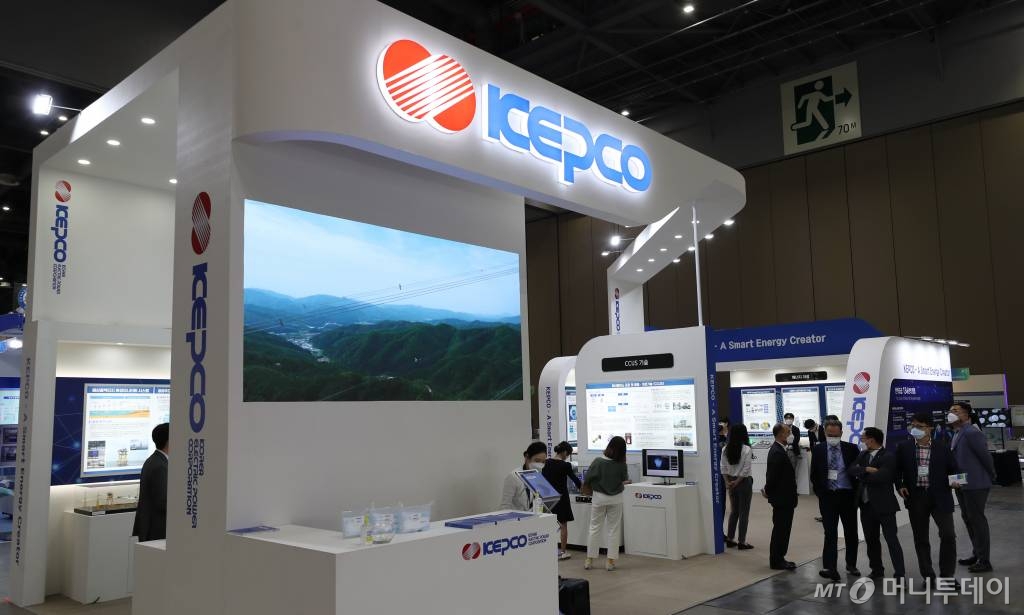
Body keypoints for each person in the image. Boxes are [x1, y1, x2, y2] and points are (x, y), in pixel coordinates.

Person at [896, 412, 958, 581]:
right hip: (916, 498)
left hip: (940, 496)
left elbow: (954, 468)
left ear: (929, 428)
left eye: (920, 426)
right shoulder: (904, 447)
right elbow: (897, 470)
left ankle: (947, 575)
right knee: (921, 538)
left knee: (948, 535)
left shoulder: (942, 447)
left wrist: (956, 481)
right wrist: (900, 485)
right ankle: (928, 574)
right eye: (913, 426)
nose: (915, 429)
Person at [847, 427, 905, 580]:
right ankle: (877, 570)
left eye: (863, 438)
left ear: (871, 440)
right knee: (871, 540)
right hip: (866, 506)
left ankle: (900, 574)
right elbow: (851, 470)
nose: (862, 440)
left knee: (892, 540)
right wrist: (866, 469)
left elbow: (882, 477)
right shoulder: (863, 454)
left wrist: (861, 474)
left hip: (885, 506)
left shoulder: (888, 456)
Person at [948, 402, 997, 572]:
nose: (951, 413)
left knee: (977, 520)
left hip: (976, 483)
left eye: (956, 411)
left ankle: (985, 560)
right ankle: (977, 553)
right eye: (950, 410)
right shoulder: (957, 432)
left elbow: (985, 457)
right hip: (961, 483)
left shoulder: (971, 432)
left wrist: (991, 475)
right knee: (968, 519)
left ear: (966, 414)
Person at [810, 419, 861, 581]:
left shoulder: (851, 449)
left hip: (847, 496)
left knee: (851, 531)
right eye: (829, 435)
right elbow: (814, 474)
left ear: (841, 433)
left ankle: (851, 564)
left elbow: (857, 472)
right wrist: (820, 493)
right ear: (825, 433)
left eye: (835, 435)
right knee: (830, 532)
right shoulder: (818, 449)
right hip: (828, 497)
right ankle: (830, 568)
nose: (832, 437)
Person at [584, 436, 630, 572]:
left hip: (599, 498)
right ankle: (610, 562)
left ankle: (589, 560)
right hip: (616, 499)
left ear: (609, 446)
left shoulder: (598, 461)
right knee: (613, 530)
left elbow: (588, 478)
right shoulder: (621, 464)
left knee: (594, 528)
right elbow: (624, 479)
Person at [763, 423, 798, 570]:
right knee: (781, 530)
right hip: (782, 499)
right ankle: (777, 560)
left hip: (784, 498)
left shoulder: (780, 450)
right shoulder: (777, 452)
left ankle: (779, 558)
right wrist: (768, 490)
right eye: (788, 432)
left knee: (783, 529)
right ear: (780, 434)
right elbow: (772, 476)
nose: (790, 434)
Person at [543, 441, 582, 560]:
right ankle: (563, 551)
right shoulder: (565, 465)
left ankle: (547, 549)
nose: (567, 457)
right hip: (562, 498)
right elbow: (575, 480)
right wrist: (584, 488)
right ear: (565, 452)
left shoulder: (547, 462)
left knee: (548, 524)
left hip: (548, 497)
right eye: (568, 454)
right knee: (563, 525)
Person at [132, 423, 169, 542]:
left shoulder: (154, 460)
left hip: (152, 528)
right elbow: (162, 501)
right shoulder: (160, 466)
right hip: (157, 530)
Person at [720, 424, 754, 550]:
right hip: (743, 482)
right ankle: (742, 541)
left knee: (734, 511)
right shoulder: (746, 449)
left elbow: (723, 467)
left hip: (730, 481)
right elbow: (746, 469)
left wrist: (727, 482)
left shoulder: (725, 448)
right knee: (744, 512)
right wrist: (738, 481)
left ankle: (730, 539)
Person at [501, 441, 547, 511]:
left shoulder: (538, 476)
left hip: (534, 515)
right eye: (537, 461)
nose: (540, 465)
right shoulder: (513, 476)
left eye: (543, 462)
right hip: (516, 517)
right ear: (527, 457)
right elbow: (504, 506)